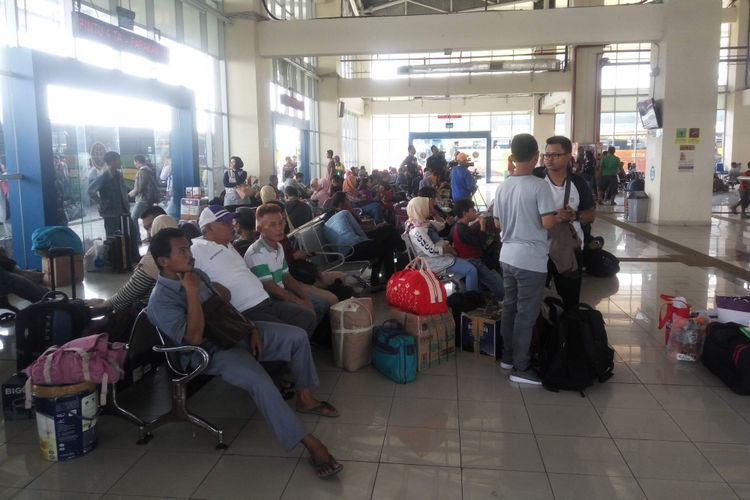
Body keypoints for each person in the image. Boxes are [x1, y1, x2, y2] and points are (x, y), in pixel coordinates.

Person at [146, 228, 343, 478]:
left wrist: (248, 327)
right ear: (163, 261)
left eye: (189, 247)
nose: (190, 254)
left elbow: (223, 308)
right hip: (207, 350)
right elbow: (193, 339)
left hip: (232, 331)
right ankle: (310, 443)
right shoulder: (161, 300)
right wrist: (192, 292)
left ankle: (305, 398)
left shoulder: (196, 274)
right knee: (258, 380)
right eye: (182, 250)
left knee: (296, 336)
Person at [191, 205, 317, 336]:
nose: (232, 226)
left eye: (231, 222)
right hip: (247, 310)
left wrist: (303, 298)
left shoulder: (228, 245)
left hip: (266, 301)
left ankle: (289, 352)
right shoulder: (196, 251)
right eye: (225, 223)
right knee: (295, 335)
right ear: (208, 228)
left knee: (307, 317)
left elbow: (285, 276)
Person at [493, 134, 558, 385]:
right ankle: (521, 367)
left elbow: (497, 222)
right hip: (530, 259)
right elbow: (547, 222)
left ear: (512, 156)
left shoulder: (503, 186)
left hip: (506, 256)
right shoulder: (539, 186)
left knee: (509, 307)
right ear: (535, 157)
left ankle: (507, 358)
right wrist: (557, 215)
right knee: (526, 313)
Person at [245, 203, 331, 328]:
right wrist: (300, 302)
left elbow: (286, 276)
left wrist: (305, 297)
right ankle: (301, 339)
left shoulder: (278, 246)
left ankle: (308, 335)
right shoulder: (256, 253)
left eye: (281, 222)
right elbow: (271, 288)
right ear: (260, 229)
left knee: (321, 304)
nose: (280, 228)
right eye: (273, 225)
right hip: (268, 300)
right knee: (307, 314)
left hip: (281, 292)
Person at [538, 136, 597, 310]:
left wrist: (574, 215)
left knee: (570, 299)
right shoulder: (535, 179)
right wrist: (553, 216)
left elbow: (591, 214)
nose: (549, 159)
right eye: (546, 155)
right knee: (537, 299)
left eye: (555, 155)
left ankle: (569, 331)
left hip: (569, 250)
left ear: (568, 156)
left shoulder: (578, 183)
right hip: (539, 248)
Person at [89, 214, 179, 314]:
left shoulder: (154, 257)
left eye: (150, 227)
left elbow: (131, 291)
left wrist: (106, 303)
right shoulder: (184, 252)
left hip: (148, 311)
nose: (148, 232)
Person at [324, 192, 403, 290]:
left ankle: (380, 280)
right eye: (347, 200)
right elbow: (360, 232)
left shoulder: (328, 220)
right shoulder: (345, 213)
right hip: (354, 249)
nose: (349, 201)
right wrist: (371, 241)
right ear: (341, 203)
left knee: (384, 242)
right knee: (386, 246)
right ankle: (390, 276)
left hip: (344, 253)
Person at [405, 197, 479, 292]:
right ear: (421, 209)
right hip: (434, 262)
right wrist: (450, 249)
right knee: (471, 269)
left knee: (470, 262)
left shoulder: (422, 222)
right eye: (430, 207)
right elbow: (432, 251)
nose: (433, 209)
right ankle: (472, 299)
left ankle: (469, 290)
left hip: (439, 256)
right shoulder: (417, 231)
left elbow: (441, 225)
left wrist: (435, 214)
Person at [88, 151, 139, 261]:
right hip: (110, 213)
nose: (120, 162)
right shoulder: (104, 176)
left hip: (124, 211)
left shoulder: (118, 174)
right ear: (112, 161)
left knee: (132, 234)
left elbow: (123, 188)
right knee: (113, 238)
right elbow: (90, 191)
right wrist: (102, 203)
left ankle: (134, 258)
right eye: (118, 160)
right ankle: (114, 261)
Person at [450, 199, 504, 300]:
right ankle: (505, 300)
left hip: (467, 258)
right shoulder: (463, 229)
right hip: (472, 260)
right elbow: (479, 243)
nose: (475, 212)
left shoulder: (457, 226)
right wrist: (482, 225)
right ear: (465, 213)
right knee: (496, 280)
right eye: (473, 210)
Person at [129, 155, 159, 223]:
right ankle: (150, 233)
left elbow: (139, 188)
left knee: (133, 217)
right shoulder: (148, 170)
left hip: (143, 199)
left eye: (135, 163)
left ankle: (136, 234)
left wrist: (129, 195)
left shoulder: (142, 171)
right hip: (148, 199)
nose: (135, 165)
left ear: (138, 161)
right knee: (147, 218)